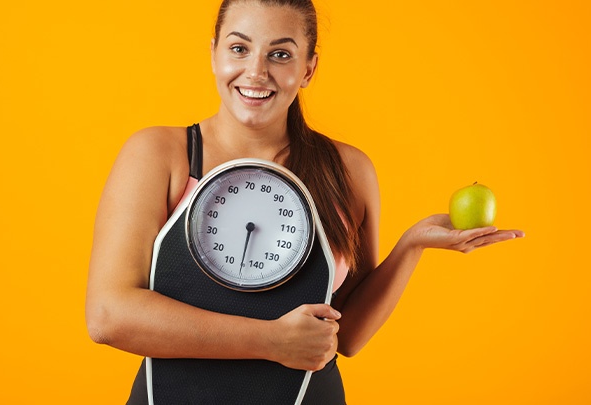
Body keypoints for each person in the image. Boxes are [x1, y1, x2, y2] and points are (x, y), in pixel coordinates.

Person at [85, 0, 525, 403]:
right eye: (239, 49)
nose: (256, 72)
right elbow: (110, 315)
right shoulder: (161, 154)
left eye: (280, 54)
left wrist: (412, 246)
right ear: (214, 52)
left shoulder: (349, 170)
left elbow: (346, 336)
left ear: (309, 69)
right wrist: (270, 340)